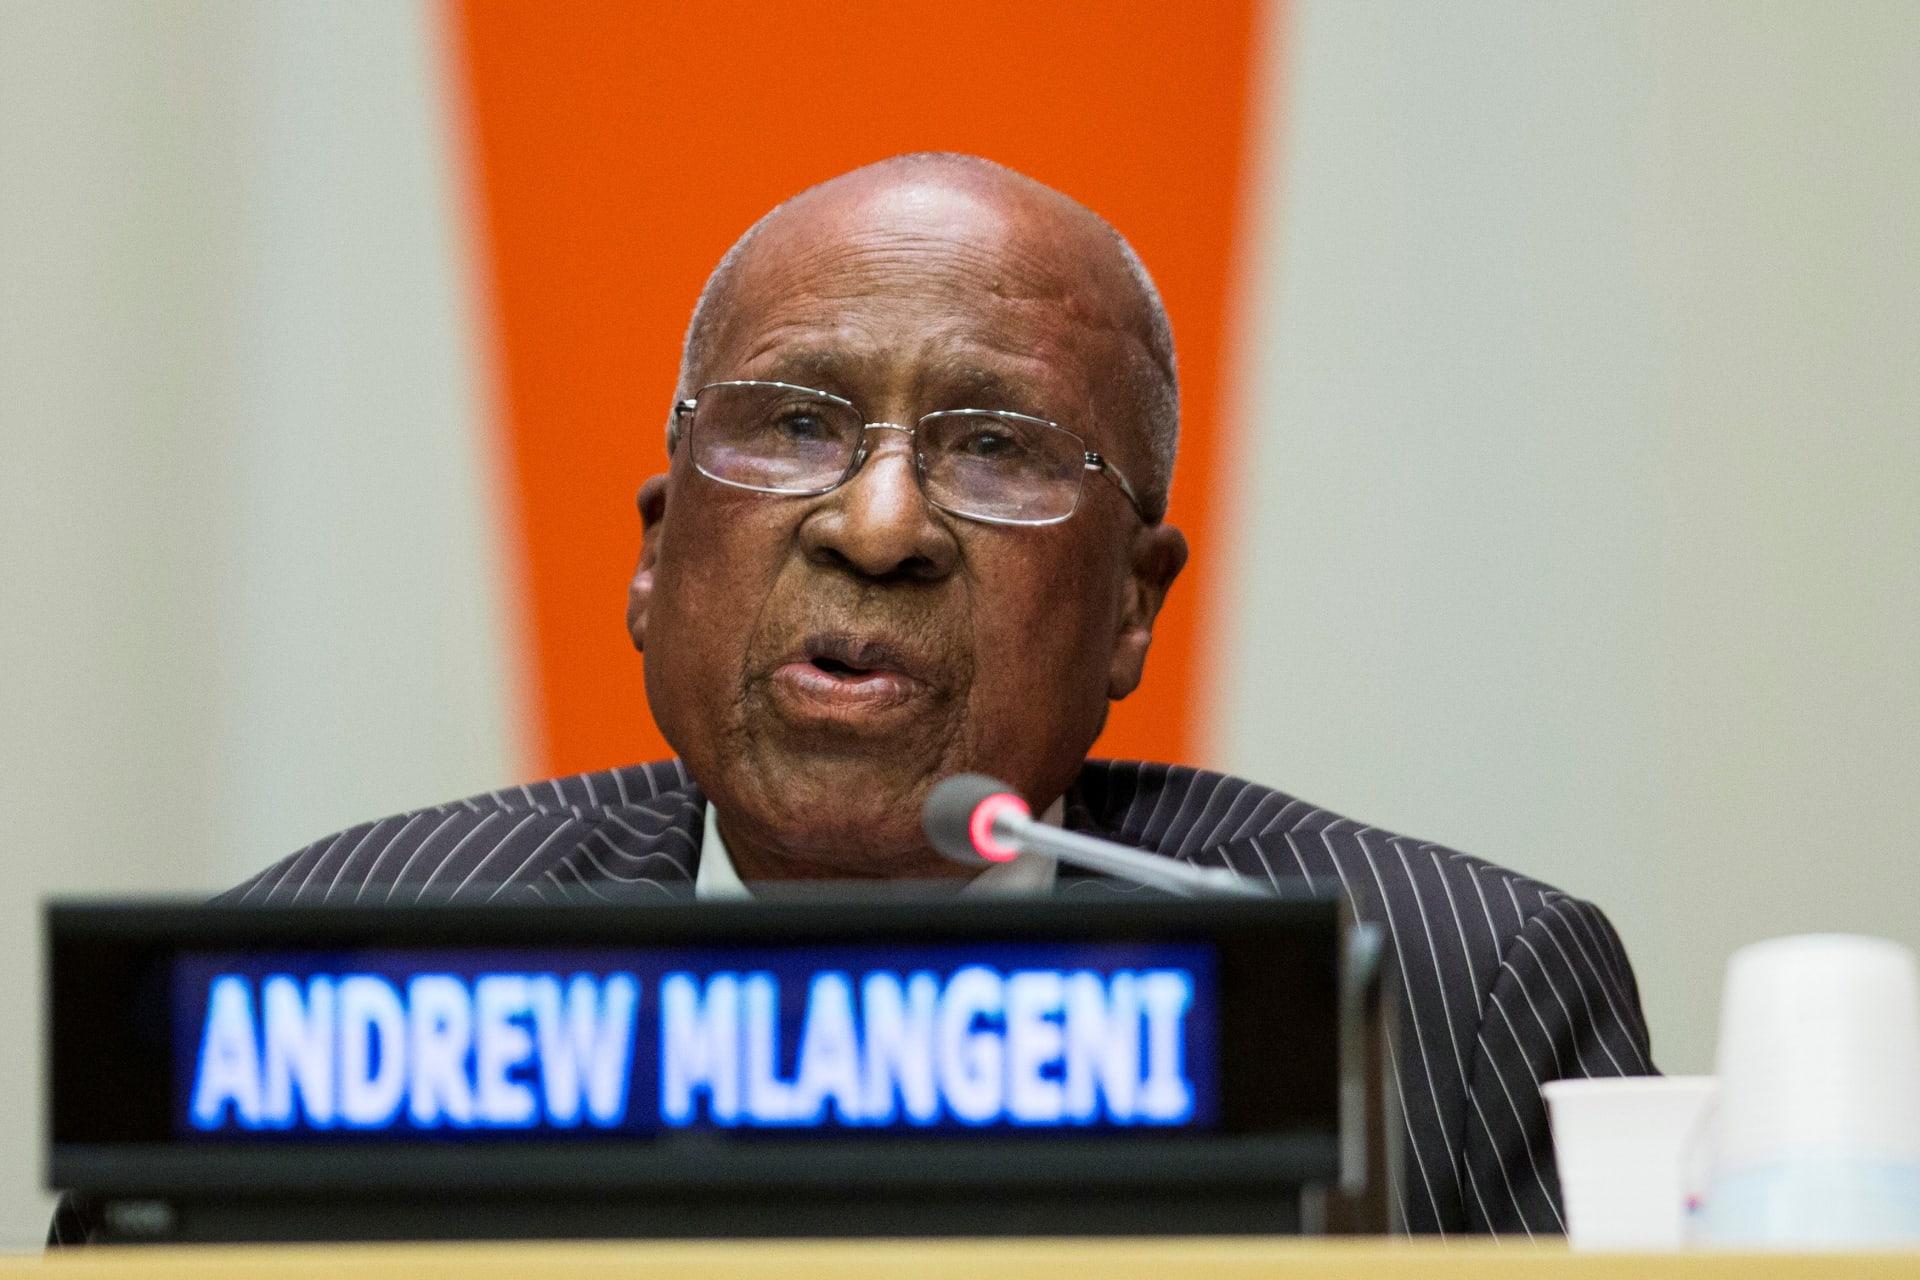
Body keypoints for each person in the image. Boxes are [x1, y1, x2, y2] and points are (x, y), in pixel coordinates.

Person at [65, 154, 1651, 1240]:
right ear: (657, 556)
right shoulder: (316, 984)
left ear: (1130, 613)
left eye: (997, 450)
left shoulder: (1439, 995)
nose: (878, 524)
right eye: (793, 424)